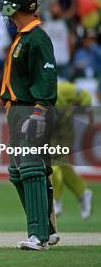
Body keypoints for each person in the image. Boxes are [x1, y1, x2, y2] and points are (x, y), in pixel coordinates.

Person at [0, 0, 58, 250]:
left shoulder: (36, 38)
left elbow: (46, 76)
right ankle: (49, 228)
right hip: (17, 110)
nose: (7, 14)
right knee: (17, 172)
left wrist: (40, 111)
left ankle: (39, 236)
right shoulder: (23, 37)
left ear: (18, 8)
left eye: (9, 7)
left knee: (32, 169)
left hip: (31, 109)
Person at [50, 81, 94, 220]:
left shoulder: (63, 88)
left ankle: (55, 201)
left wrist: (85, 111)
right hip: (50, 132)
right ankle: (82, 193)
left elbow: (85, 96)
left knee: (54, 164)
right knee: (61, 165)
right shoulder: (34, 91)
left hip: (64, 131)